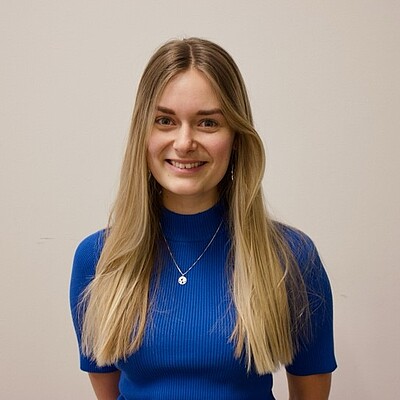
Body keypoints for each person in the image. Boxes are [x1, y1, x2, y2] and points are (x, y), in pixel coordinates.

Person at [70, 37, 336, 400]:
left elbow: (310, 390)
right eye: (164, 120)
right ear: (142, 134)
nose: (183, 142)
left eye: (208, 123)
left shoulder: (292, 257)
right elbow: (108, 391)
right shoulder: (99, 258)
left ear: (237, 137)